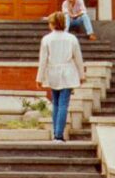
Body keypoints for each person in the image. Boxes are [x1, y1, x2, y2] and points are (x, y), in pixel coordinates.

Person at [36, 11, 86, 142]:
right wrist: (82, 74)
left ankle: (56, 133)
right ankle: (59, 134)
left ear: (52, 24)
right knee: (63, 104)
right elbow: (78, 58)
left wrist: (39, 78)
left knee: (56, 104)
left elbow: (43, 60)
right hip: (68, 72)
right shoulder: (71, 38)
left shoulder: (47, 39)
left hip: (53, 72)